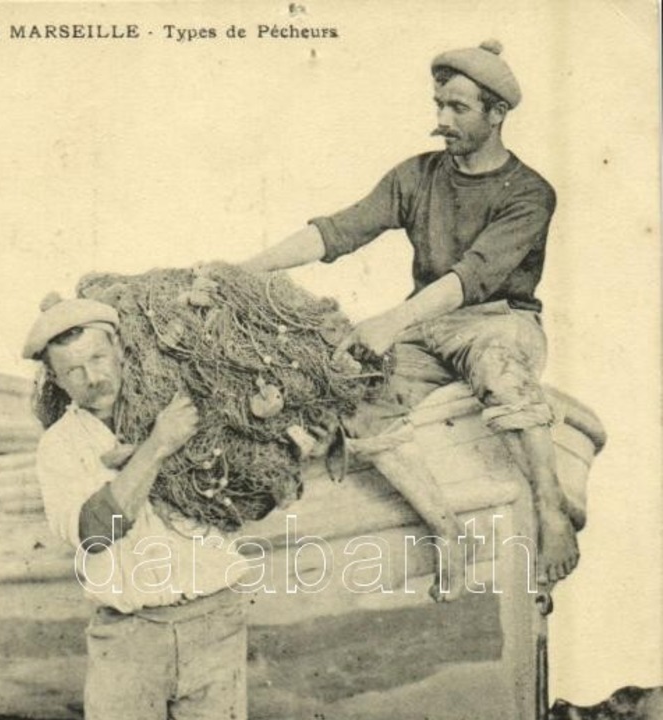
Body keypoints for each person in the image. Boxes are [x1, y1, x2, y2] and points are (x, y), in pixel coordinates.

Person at [240, 40, 579, 589]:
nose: (441, 121)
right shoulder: (417, 175)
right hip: (427, 327)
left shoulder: (532, 193)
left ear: (498, 114)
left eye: (458, 109)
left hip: (499, 319)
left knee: (498, 365)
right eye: (438, 105)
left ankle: (551, 510)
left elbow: (473, 276)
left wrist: (393, 321)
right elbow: (337, 231)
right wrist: (247, 269)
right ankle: (447, 530)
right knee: (358, 396)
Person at [24, 293, 249, 720]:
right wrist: (156, 446)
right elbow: (97, 530)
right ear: (55, 383)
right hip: (130, 638)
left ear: (122, 349)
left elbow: (249, 484)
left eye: (100, 357)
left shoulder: (182, 403)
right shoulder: (62, 446)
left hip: (216, 623)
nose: (93, 377)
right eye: (73, 370)